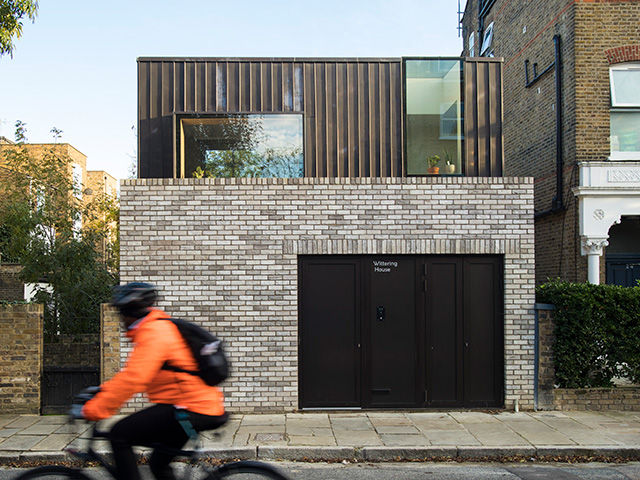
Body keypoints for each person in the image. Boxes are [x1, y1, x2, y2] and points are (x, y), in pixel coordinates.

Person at [80, 282, 228, 480]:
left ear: (130, 311)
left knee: (119, 434)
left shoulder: (154, 332)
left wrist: (93, 409)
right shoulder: (154, 329)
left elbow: (134, 378)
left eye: (121, 314)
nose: (120, 319)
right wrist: (102, 392)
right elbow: (131, 374)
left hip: (189, 408)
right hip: (193, 406)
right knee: (158, 464)